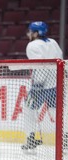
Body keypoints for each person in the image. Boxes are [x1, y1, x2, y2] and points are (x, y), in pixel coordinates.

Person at [21, 21, 63, 150]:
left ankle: (32, 138)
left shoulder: (32, 45)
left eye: (30, 31)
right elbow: (60, 59)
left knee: (28, 108)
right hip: (56, 83)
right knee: (57, 112)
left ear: (36, 33)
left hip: (41, 85)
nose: (28, 33)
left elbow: (40, 66)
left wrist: (38, 85)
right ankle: (65, 139)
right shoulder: (53, 42)